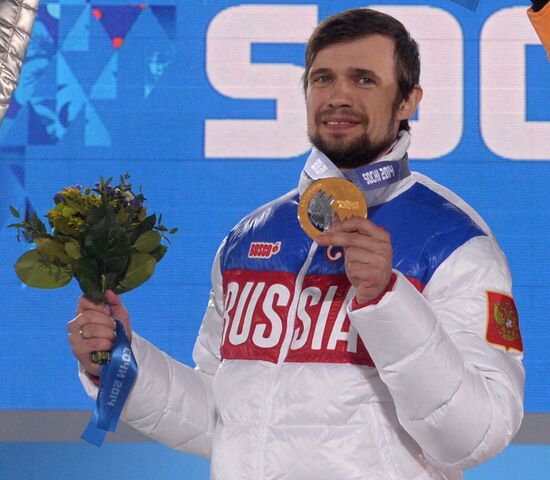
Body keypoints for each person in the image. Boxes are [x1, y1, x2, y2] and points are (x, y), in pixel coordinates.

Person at [68, 9, 524, 480]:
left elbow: (474, 436)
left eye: (364, 79)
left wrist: (387, 300)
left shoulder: (453, 242)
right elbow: (225, 419)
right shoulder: (249, 238)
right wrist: (121, 360)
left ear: (408, 100)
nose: (339, 96)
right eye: (323, 78)